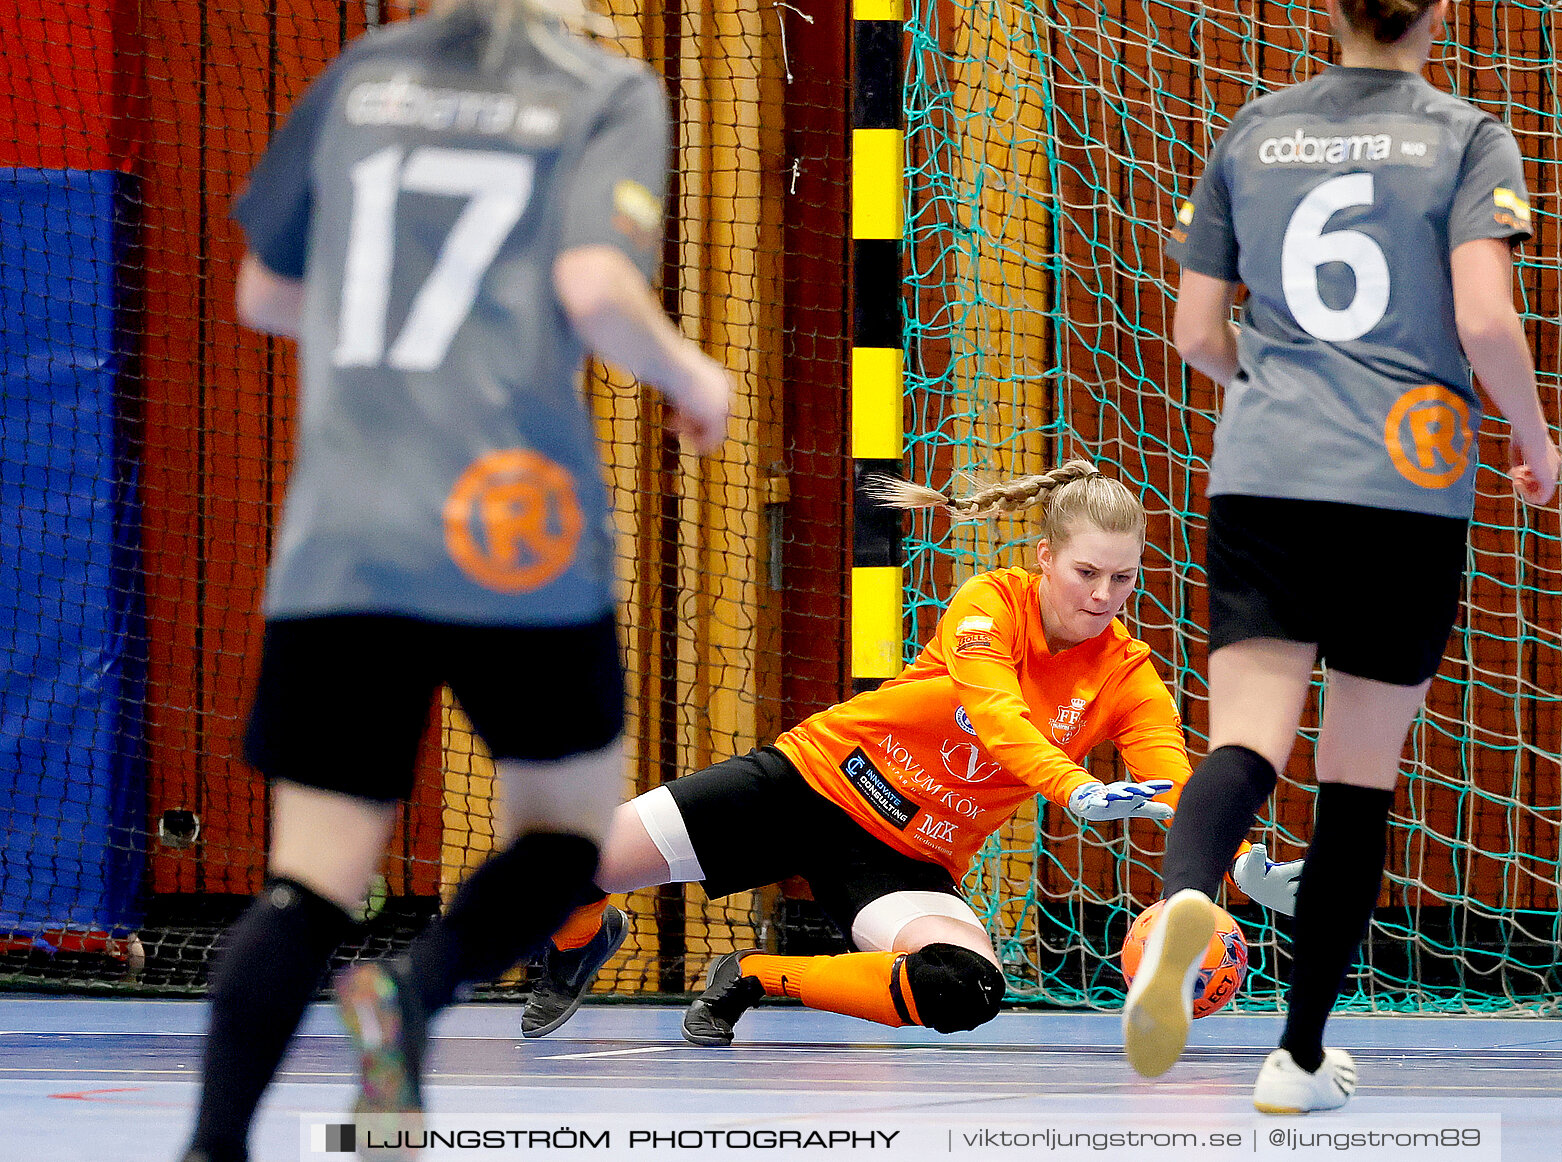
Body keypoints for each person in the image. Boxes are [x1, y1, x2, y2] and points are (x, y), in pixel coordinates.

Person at [177, 2, 732, 1159]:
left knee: (309, 882)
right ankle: (414, 995)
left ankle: (212, 1145)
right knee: (563, 841)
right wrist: (691, 375)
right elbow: (592, 284)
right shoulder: (603, 89)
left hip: (347, 532)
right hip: (512, 531)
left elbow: (263, 296)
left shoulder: (362, 74)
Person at [1121, 0, 1561, 1113]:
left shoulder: (1254, 130)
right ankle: (1299, 1058)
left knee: (1247, 741)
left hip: (1266, 471)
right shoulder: (1467, 135)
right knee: (1357, 780)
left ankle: (1186, 895)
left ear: (1331, 8)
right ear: (1440, 12)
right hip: (1402, 484)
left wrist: (1281, 394)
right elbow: (1484, 318)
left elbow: (1193, 334)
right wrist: (1533, 434)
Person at [518, 460, 1305, 1045]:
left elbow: (1172, 775)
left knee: (967, 987)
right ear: (1045, 559)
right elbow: (997, 715)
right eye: (1086, 572)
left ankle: (752, 976)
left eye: (1123, 579)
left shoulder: (1127, 674)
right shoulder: (987, 603)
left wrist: (1236, 860)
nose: (1101, 596)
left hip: (903, 858)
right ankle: (583, 938)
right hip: (811, 782)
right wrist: (1073, 789)